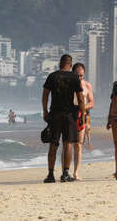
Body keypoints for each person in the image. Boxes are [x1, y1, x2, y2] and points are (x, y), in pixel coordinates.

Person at [42, 54, 85, 183]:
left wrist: (45, 111)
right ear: (70, 65)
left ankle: (50, 174)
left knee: (53, 144)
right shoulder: (74, 77)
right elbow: (81, 98)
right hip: (69, 115)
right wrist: (82, 115)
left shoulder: (52, 76)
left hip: (55, 114)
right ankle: (65, 173)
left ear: (60, 64)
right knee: (68, 144)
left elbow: (45, 95)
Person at [71, 62, 94, 180]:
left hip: (81, 115)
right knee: (68, 144)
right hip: (70, 115)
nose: (79, 78)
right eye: (77, 75)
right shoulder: (68, 84)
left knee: (78, 144)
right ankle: (65, 170)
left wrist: (83, 107)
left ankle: (76, 172)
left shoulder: (87, 85)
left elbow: (91, 102)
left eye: (81, 76)